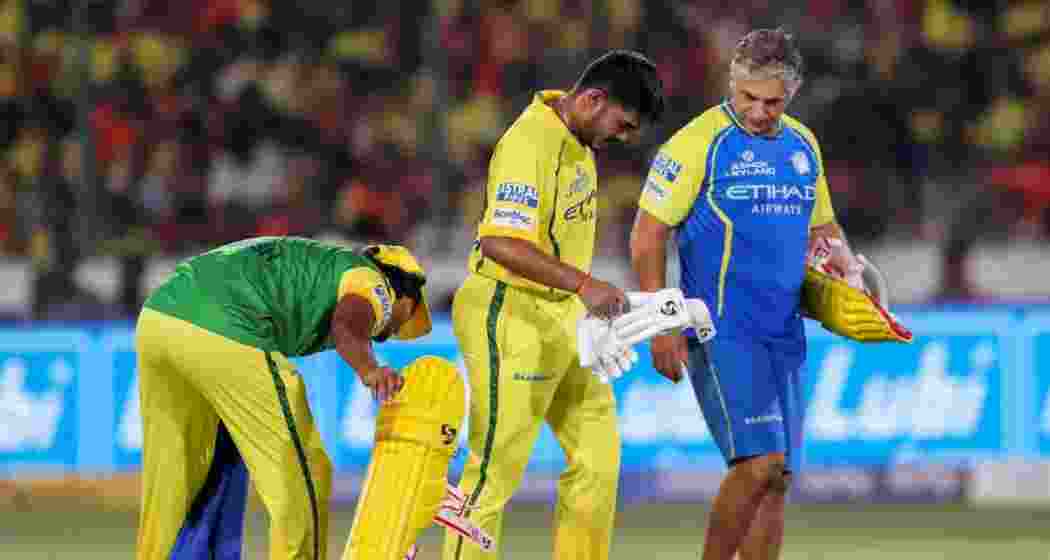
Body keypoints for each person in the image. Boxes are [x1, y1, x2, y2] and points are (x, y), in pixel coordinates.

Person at [629, 28, 850, 560]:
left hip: (784, 330)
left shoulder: (802, 144)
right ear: (732, 82)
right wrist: (662, 324)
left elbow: (823, 228)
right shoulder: (695, 143)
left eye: (771, 101)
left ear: (791, 93)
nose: (757, 111)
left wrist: (844, 261)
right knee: (758, 466)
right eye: (747, 97)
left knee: (778, 477)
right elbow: (646, 233)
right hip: (722, 328)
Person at [442, 50, 665, 560]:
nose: (625, 139)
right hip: (509, 310)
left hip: (563, 317)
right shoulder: (530, 142)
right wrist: (586, 284)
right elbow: (500, 242)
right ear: (593, 99)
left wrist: (579, 296)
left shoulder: (580, 143)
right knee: (494, 469)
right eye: (624, 125)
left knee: (598, 457)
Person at [134, 236, 466, 560]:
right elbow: (348, 324)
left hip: (159, 317)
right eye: (409, 314)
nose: (396, 331)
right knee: (306, 467)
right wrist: (369, 369)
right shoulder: (372, 281)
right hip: (226, 326)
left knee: (178, 480)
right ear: (402, 291)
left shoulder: (320, 265)